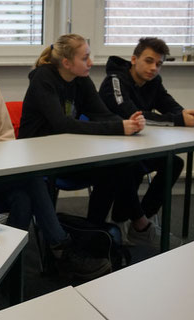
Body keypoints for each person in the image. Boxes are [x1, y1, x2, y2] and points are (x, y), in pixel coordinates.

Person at [0, 30, 111, 279]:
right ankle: (60, 248)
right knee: (32, 179)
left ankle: (7, 268)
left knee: (23, 198)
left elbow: (8, 139)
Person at [18, 34, 155, 243]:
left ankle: (94, 232)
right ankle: (133, 223)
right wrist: (118, 128)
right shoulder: (43, 78)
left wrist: (128, 124)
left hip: (69, 153)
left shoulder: (81, 78)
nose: (91, 62)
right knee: (115, 168)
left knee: (120, 166)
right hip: (39, 158)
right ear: (66, 63)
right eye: (84, 58)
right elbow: (62, 124)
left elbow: (102, 114)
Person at [99, 37, 194, 244]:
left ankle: (140, 221)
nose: (154, 68)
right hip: (108, 150)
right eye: (149, 61)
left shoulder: (154, 81)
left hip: (137, 146)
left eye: (159, 64)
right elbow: (133, 115)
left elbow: (168, 104)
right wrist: (179, 120)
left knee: (174, 163)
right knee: (130, 167)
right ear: (134, 59)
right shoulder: (114, 81)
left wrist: (183, 113)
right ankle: (137, 223)